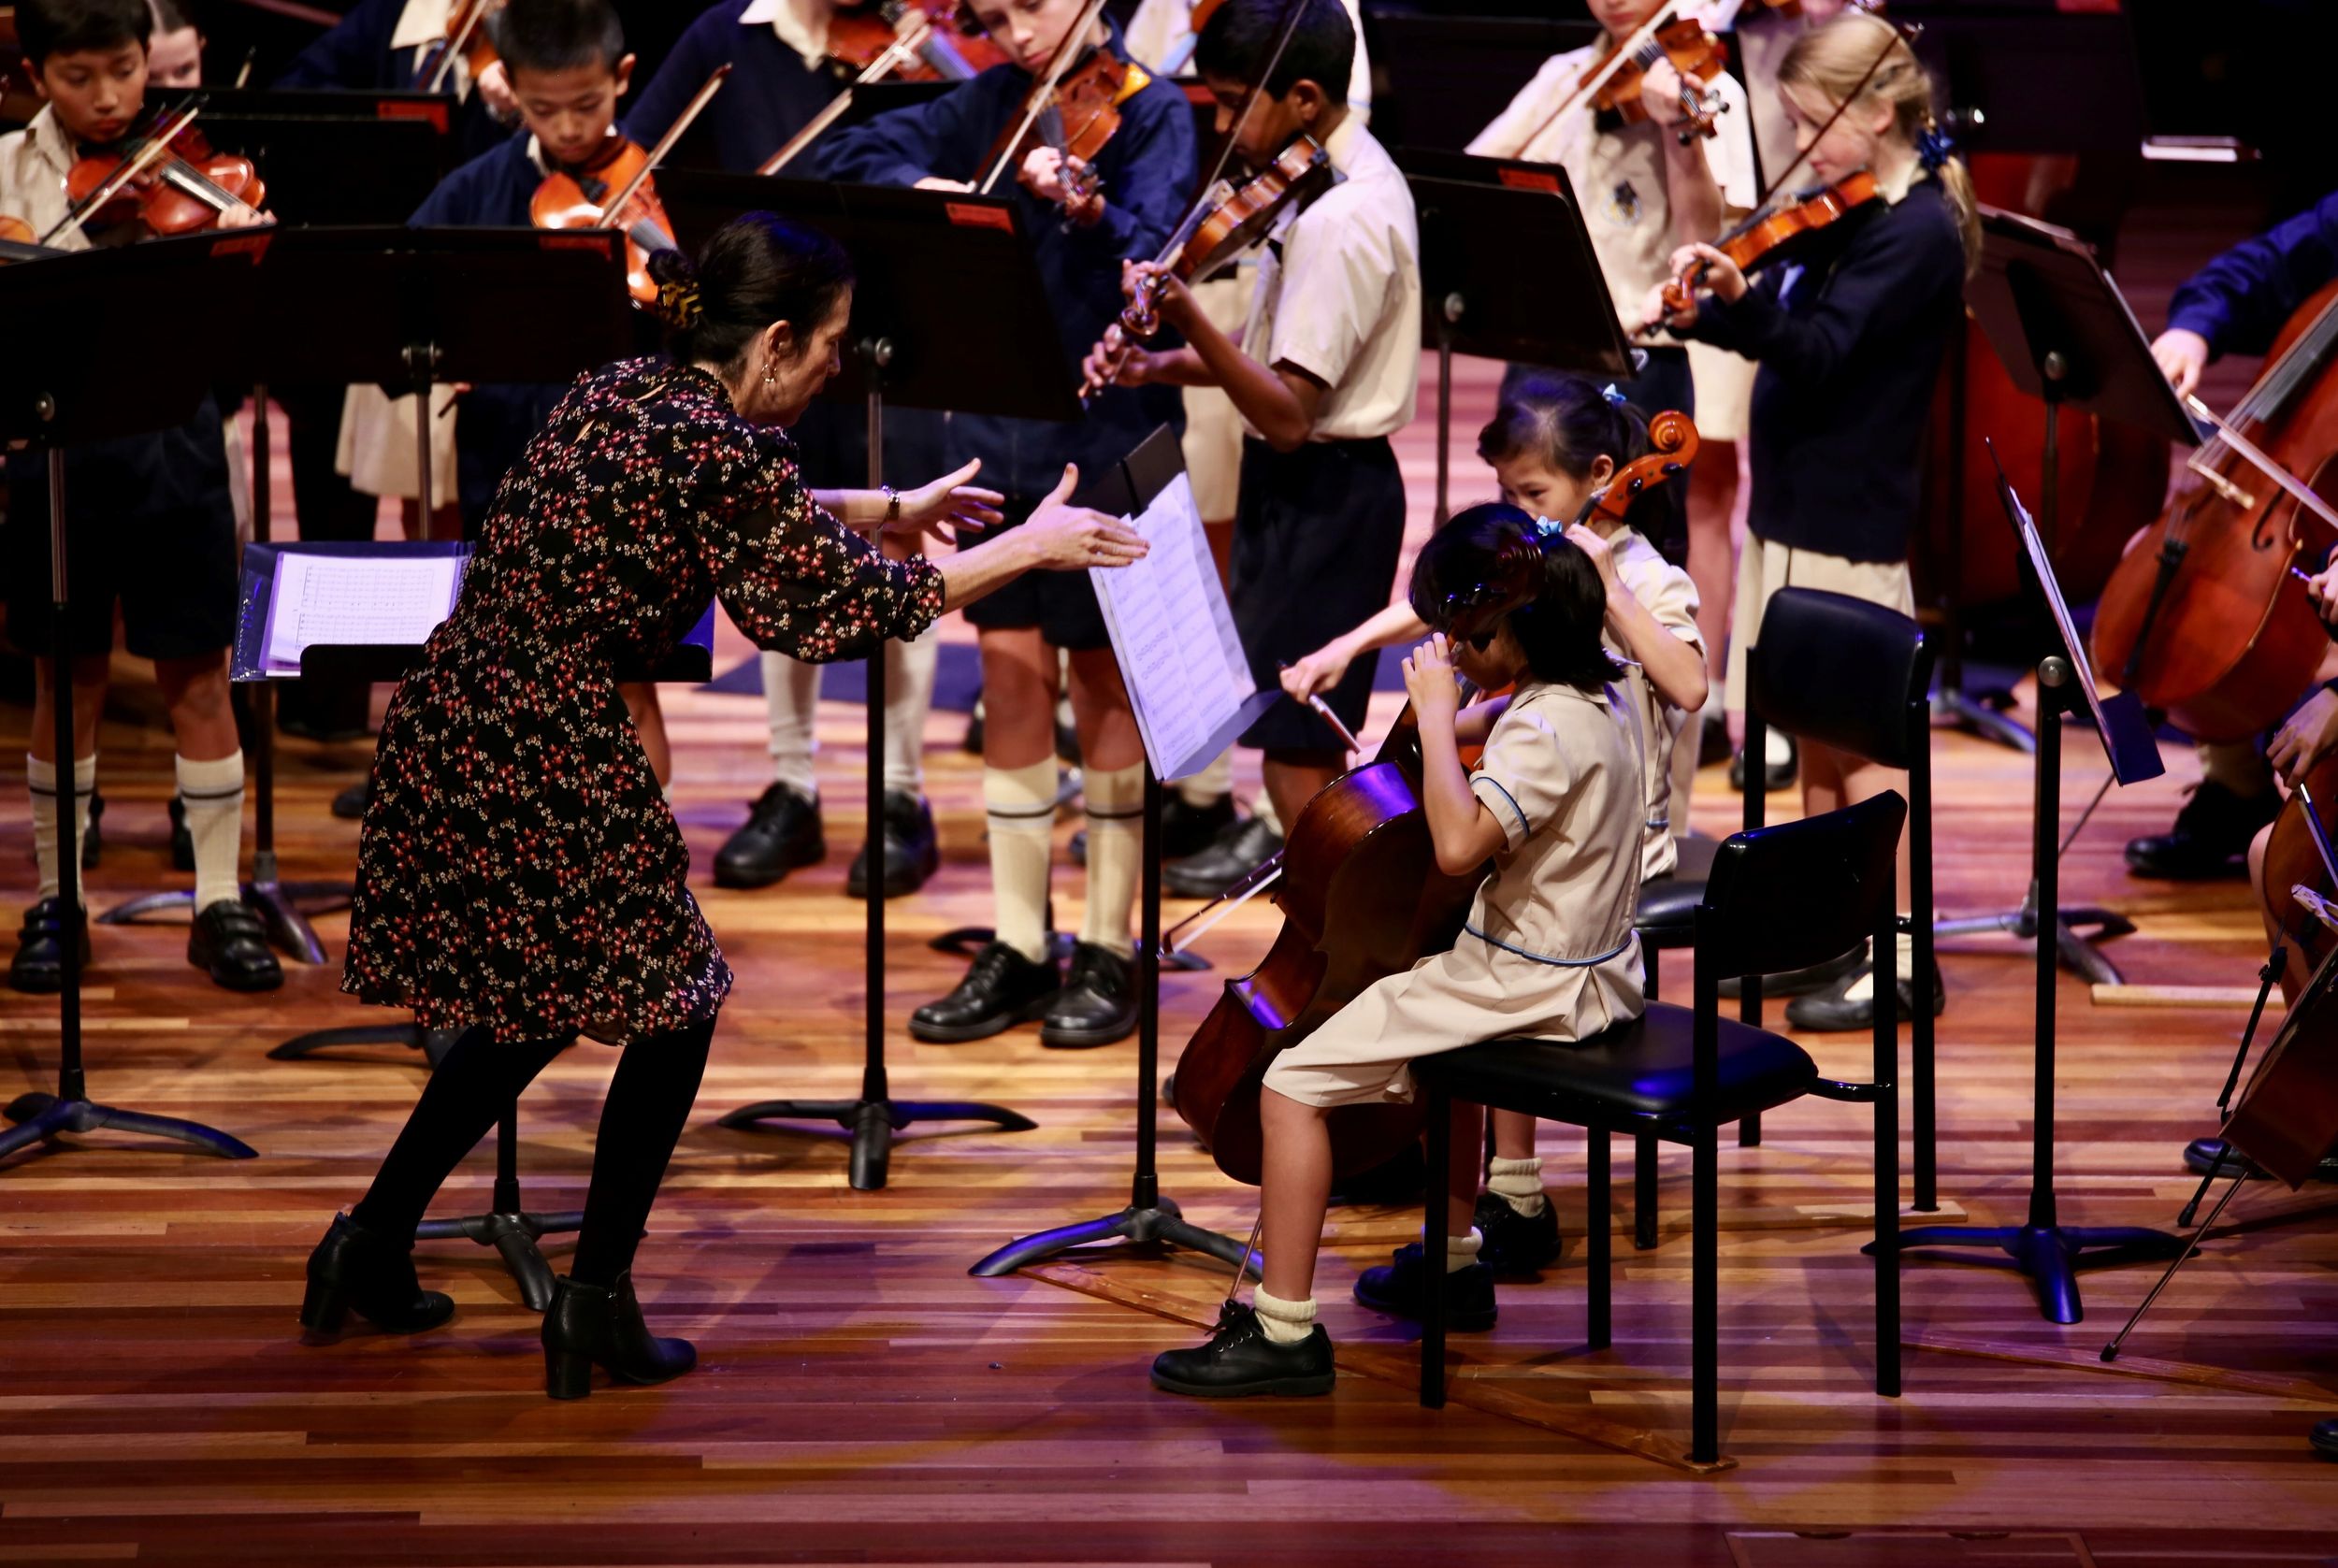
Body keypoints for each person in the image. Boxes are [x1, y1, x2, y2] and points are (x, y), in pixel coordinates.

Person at [303, 211, 1145, 1399]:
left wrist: (886, 508)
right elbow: (840, 609)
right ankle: (593, 1302)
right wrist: (1027, 548)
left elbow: (729, 503)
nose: (836, 368)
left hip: (460, 720)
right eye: (831, 346)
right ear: (777, 342)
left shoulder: (623, 387)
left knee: (533, 1006)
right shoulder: (715, 449)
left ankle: (369, 1242)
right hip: (545, 744)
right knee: (673, 1004)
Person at [1149, 508, 1647, 1396]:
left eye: (1463, 636)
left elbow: (1457, 848)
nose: (1451, 650)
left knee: (1290, 1083)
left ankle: (1284, 1330)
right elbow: (1513, 742)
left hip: (1530, 982)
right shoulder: (1600, 692)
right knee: (1439, 1043)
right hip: (1600, 969)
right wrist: (1457, 717)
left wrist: (1436, 718)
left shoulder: (1539, 733)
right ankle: (1452, 1263)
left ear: (1508, 634)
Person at [825, 0, 1196, 1048]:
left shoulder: (1153, 112)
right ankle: (1022, 942)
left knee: (1104, 683)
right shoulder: (991, 101)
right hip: (1000, 423)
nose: (1020, 33)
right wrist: (937, 191)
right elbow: (854, 152)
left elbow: (1153, 242)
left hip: (1109, 426)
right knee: (1010, 671)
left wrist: (1087, 206)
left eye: (1034, 6)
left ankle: (1110, 943)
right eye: (998, 14)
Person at [1282, 377, 1705, 1273]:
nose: (1522, 511)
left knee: (1331, 1047)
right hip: (1580, 905)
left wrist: (1441, 720)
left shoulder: (1618, 608)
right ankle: (1460, 1236)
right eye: (1508, 493)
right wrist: (1362, 661)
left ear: (1599, 475)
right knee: (1448, 943)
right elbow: (1472, 612)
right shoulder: (1573, 677)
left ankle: (1305, 1304)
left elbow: (1685, 684)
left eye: (1533, 492)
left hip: (1581, 901)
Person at [1639, 7, 1968, 1030]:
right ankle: (1834, 934)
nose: (1802, 144)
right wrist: (1713, 307)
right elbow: (1784, 324)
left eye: (1815, 122)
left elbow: (1818, 353)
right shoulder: (1856, 209)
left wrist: (1744, 303)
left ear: (1878, 115)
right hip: (1793, 506)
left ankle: (1901, 956)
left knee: (1868, 752)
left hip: (1849, 515)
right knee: (1818, 739)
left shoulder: (1916, 231)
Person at [1081, 0, 1418, 896]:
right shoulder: (1316, 183)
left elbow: (1289, 411)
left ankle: (1335, 954)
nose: (1224, 128)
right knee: (1291, 750)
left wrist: (1188, 313)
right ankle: (1329, 950)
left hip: (1326, 492)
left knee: (1300, 761)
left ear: (1304, 98)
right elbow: (1271, 355)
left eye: (1235, 104)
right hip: (1304, 488)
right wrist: (1159, 364)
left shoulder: (1343, 218)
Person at [628, 0, 953, 901]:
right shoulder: (727, 33)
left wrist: (944, 58)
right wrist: (684, 272)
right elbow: (635, 157)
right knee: (773, 540)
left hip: (884, 328)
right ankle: (793, 784)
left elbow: (982, 133)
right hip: (770, 344)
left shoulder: (909, 45)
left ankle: (900, 795)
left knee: (897, 544)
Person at [0, 0, 280, 997]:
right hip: (54, 448)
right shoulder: (7, 172)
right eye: (80, 78)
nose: (110, 96)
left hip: (174, 440)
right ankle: (58, 899)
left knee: (197, 678)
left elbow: (244, 327)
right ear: (35, 75)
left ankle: (219, 899)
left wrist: (239, 256)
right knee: (64, 681)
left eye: (124, 69)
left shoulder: (189, 167)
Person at [2123, 187, 2338, 883]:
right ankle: (2236, 783)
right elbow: (2255, 267)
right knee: (2178, 573)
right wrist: (2195, 328)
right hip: (2295, 495)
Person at [275, 0, 520, 158]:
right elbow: (298, 83)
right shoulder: (394, 9)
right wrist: (372, 127)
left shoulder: (523, 35)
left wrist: (510, 115)